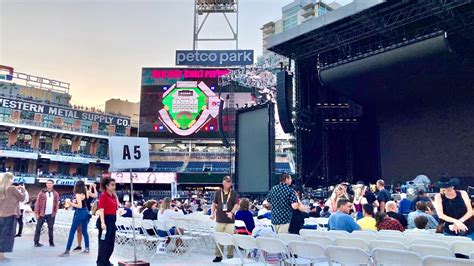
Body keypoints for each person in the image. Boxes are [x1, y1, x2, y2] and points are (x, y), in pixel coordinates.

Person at [210, 176, 239, 263]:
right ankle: (218, 255)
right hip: (219, 219)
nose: (228, 183)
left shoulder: (233, 193)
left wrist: (232, 212)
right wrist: (212, 214)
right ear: (223, 182)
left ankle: (230, 255)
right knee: (218, 237)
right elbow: (214, 204)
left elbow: (236, 205)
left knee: (230, 238)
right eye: (226, 181)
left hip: (230, 220)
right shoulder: (218, 192)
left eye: (229, 182)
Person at [59, 180, 90, 256]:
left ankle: (67, 250)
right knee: (84, 231)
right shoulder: (85, 193)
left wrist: (71, 203)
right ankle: (87, 248)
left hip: (80, 213)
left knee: (72, 231)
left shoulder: (77, 194)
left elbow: (79, 206)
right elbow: (84, 201)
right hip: (86, 212)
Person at [0, 173, 26, 261]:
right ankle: (1, 255)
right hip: (10, 214)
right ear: (10, 179)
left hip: (1, 214)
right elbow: (22, 198)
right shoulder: (12, 188)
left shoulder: (1, 188)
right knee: (7, 235)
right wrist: (23, 189)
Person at [96, 177, 118, 266]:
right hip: (105, 221)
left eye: (114, 185)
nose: (114, 187)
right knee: (103, 244)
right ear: (107, 186)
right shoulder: (103, 196)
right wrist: (103, 223)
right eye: (112, 185)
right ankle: (101, 262)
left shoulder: (113, 196)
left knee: (110, 244)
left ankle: (106, 260)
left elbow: (114, 209)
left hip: (112, 221)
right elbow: (101, 210)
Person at [34, 179, 59, 247]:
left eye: (50, 183)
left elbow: (56, 204)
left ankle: (51, 242)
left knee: (50, 228)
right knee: (38, 227)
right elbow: (37, 203)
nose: (49, 184)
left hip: (51, 214)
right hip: (42, 213)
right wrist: (36, 213)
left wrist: (55, 212)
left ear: (53, 184)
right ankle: (36, 242)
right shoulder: (42, 192)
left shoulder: (56, 194)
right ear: (46, 184)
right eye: (47, 183)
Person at [73, 183, 97, 251]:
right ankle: (79, 245)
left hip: (85, 213)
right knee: (78, 230)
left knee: (83, 230)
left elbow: (95, 195)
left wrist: (94, 187)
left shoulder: (88, 193)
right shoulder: (79, 195)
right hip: (77, 213)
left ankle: (87, 247)